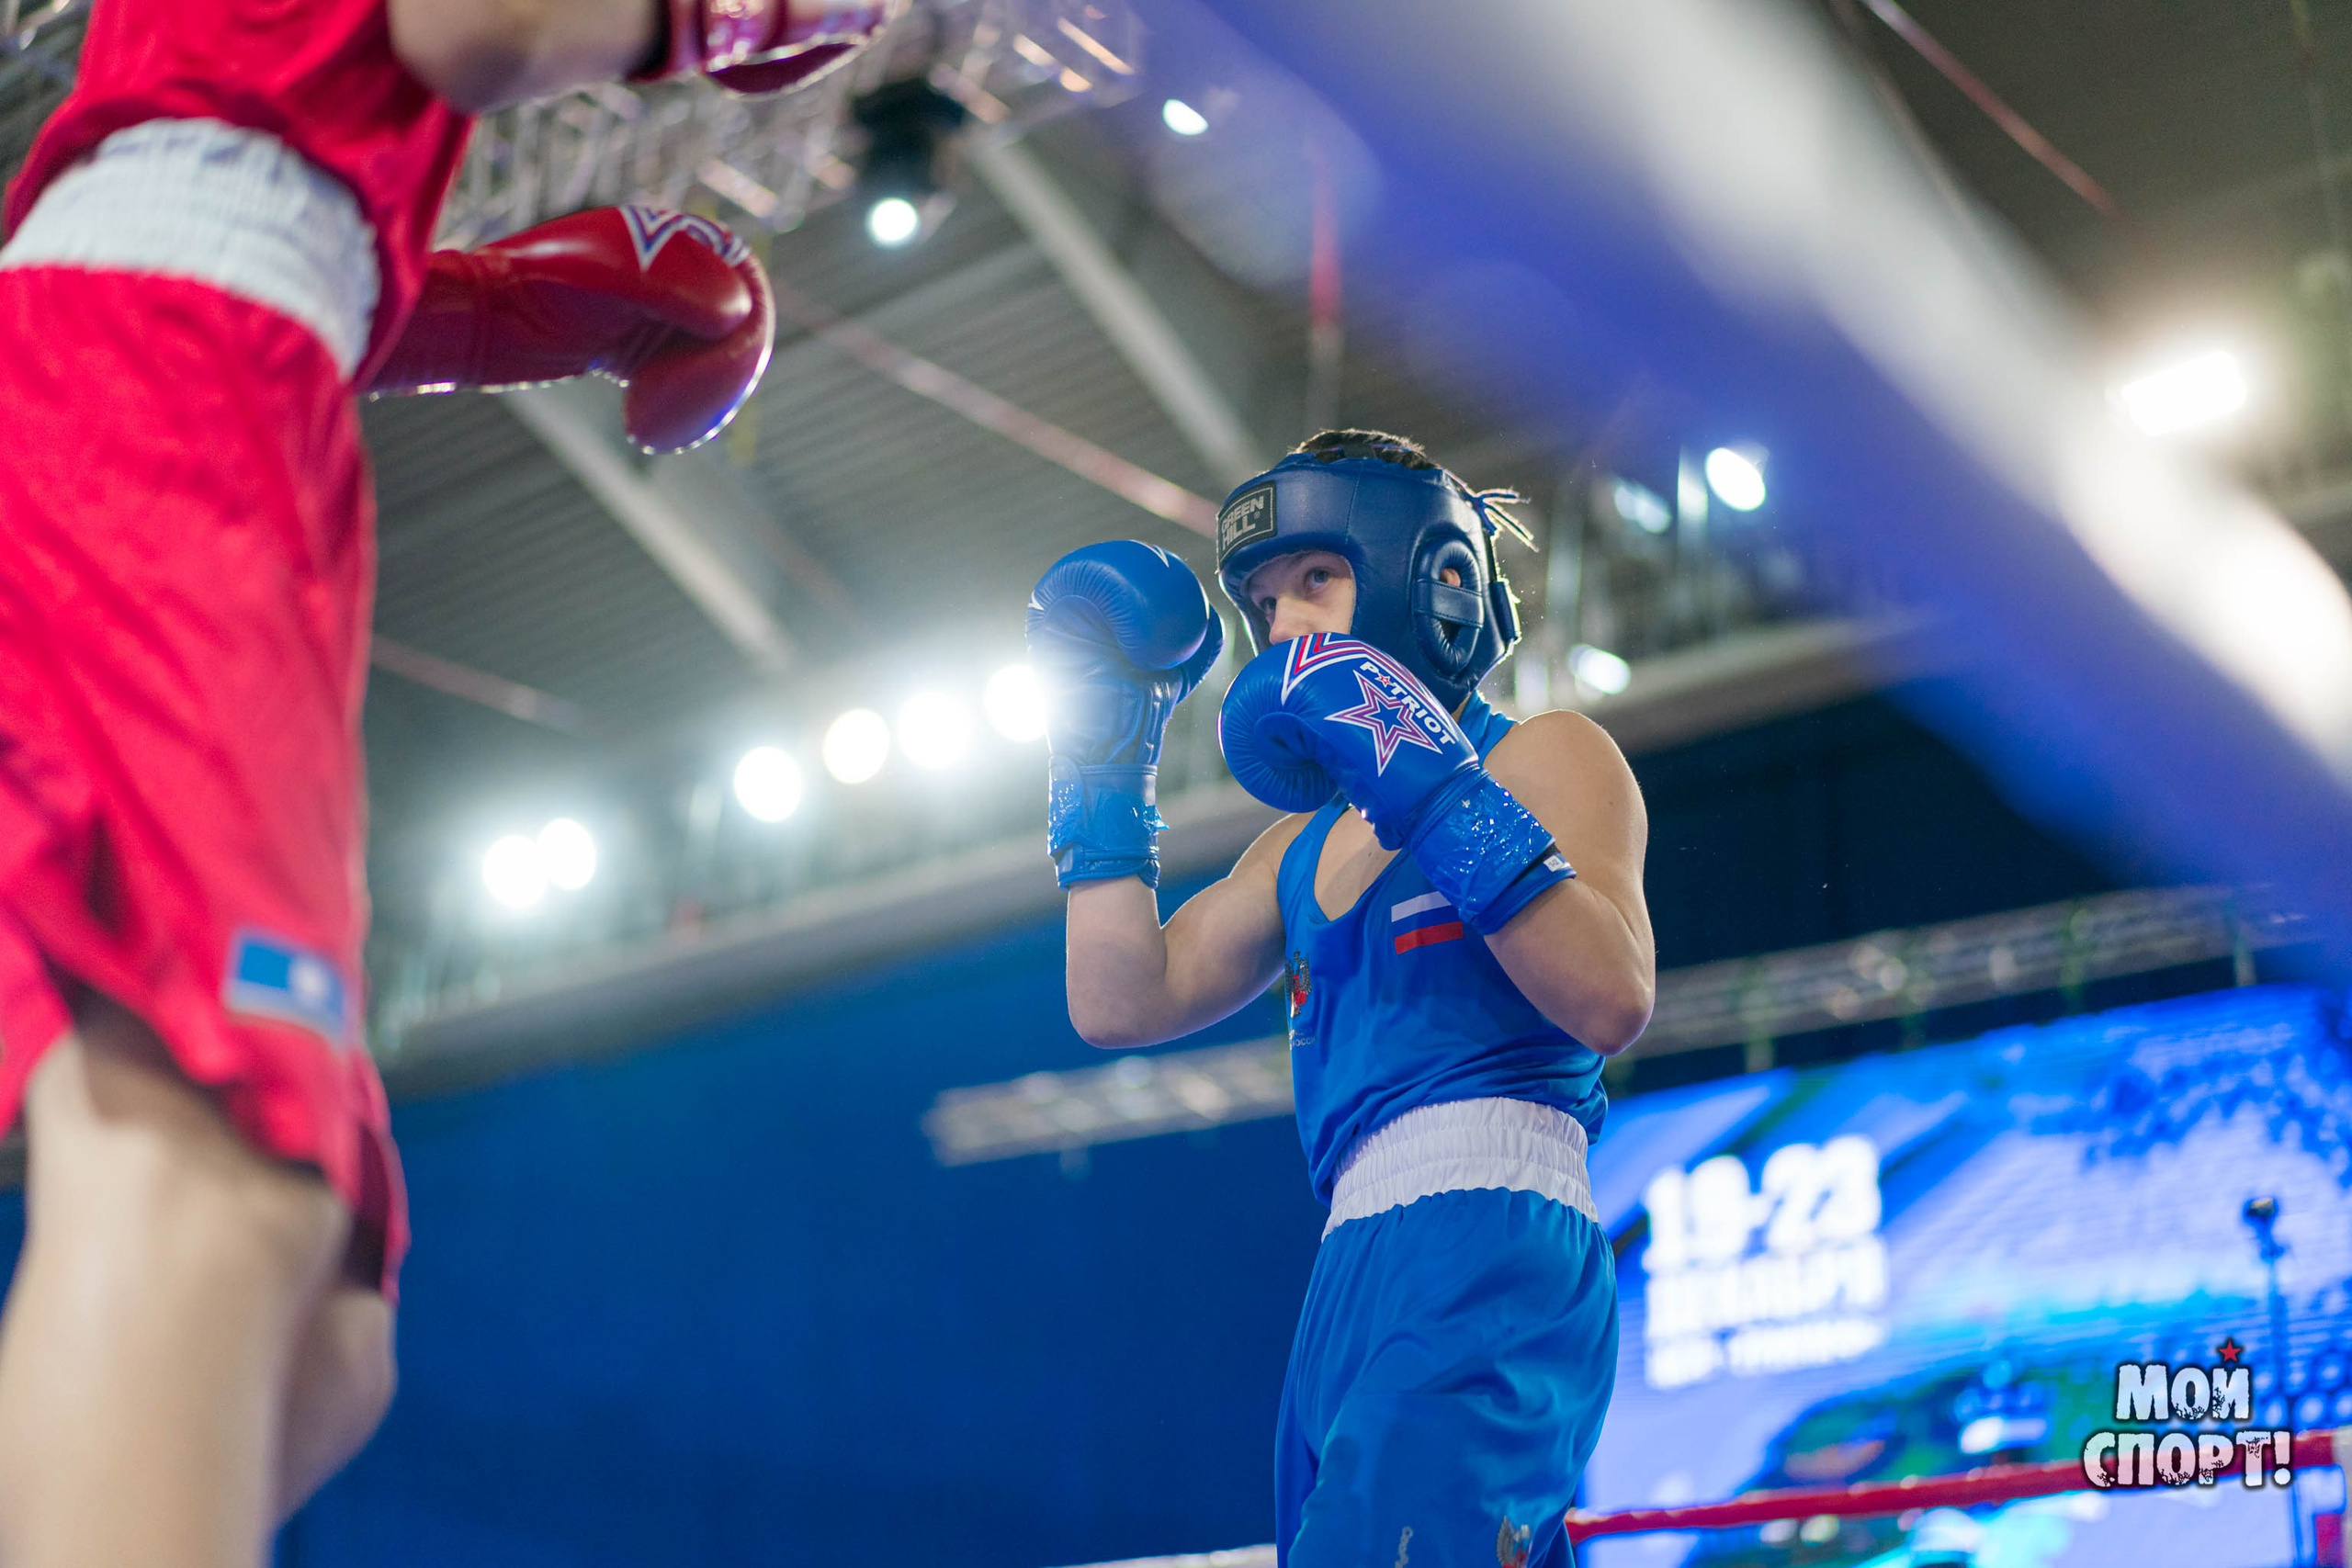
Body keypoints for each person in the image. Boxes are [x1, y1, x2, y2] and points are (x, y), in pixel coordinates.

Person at [0, 2, 889, 1563]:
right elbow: (480, 24)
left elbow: (250, 133)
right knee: (209, 1156)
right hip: (157, 377)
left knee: (325, 1337)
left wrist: (505, 311)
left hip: (189, 364)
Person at [1027, 429, 1656, 1567]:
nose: (1286, 627)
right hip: (1346, 1269)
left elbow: (1610, 997)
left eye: (1317, 580)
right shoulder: (1292, 852)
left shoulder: (1543, 756)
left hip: (1491, 1231)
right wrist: (1102, 753)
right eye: (1265, 604)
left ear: (1434, 583)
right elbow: (1118, 1002)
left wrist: (1419, 773)